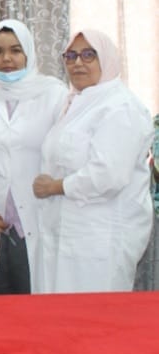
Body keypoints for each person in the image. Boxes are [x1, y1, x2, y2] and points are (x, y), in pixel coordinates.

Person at [32, 29, 153, 293]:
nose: (77, 62)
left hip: (102, 238)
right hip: (72, 234)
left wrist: (55, 187)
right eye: (71, 56)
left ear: (106, 59)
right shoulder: (79, 102)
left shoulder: (120, 107)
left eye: (88, 55)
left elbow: (108, 175)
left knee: (94, 313)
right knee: (59, 312)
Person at [0, 20, 67, 295]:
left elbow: (65, 153)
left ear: (28, 52)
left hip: (38, 213)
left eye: (15, 50)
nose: (6, 58)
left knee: (35, 304)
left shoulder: (54, 94)